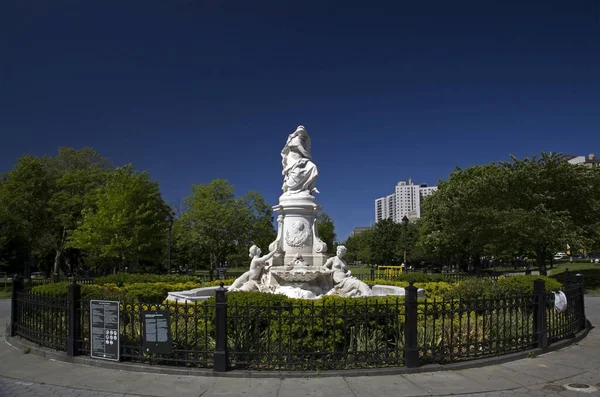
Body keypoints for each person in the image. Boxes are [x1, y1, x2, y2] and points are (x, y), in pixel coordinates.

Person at [280, 126, 319, 195]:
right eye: (300, 132)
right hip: (293, 160)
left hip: (301, 159)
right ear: (297, 133)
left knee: (312, 167)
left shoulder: (302, 140)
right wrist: (309, 157)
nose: (301, 134)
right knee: (297, 172)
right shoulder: (296, 140)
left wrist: (307, 158)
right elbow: (303, 152)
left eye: (303, 133)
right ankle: (290, 188)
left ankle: (307, 187)